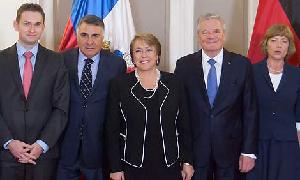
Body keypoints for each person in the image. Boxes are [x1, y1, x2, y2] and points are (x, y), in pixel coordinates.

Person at [174, 13, 258, 180]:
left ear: (223, 35)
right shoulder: (184, 65)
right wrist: (185, 157)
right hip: (196, 152)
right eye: (205, 32)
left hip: (231, 151)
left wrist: (249, 151)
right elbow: (179, 113)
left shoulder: (242, 65)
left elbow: (250, 111)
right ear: (198, 36)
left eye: (216, 31)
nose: (211, 36)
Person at [105, 33, 194, 180]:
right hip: (132, 164)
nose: (143, 55)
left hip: (169, 163)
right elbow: (112, 129)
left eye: (149, 50)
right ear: (132, 57)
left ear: (157, 54)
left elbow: (184, 126)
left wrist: (187, 161)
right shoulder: (119, 84)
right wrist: (115, 168)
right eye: (138, 51)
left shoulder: (175, 82)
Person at [0, 3, 69, 180]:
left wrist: (41, 144)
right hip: (5, 155)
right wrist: (9, 142)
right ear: (16, 24)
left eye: (37, 24)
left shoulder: (57, 61)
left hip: (43, 158)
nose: (32, 29)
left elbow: (61, 109)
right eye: (26, 23)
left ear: (43, 27)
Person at [56, 15, 126, 180]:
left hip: (98, 146)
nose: (89, 42)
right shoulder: (61, 60)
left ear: (103, 37)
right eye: (84, 35)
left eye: (95, 36)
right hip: (66, 144)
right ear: (77, 35)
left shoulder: (117, 65)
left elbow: (117, 107)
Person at [247, 24, 300, 180]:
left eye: (284, 41)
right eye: (274, 40)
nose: (278, 45)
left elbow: (299, 117)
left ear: (289, 46)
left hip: (287, 145)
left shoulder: (297, 75)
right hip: (257, 143)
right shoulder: (251, 72)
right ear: (266, 44)